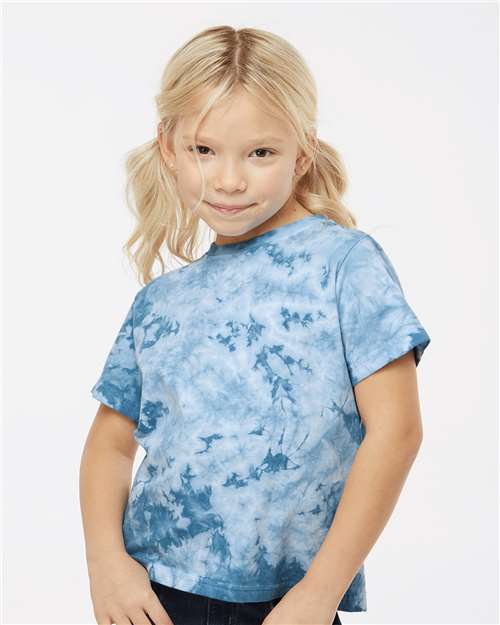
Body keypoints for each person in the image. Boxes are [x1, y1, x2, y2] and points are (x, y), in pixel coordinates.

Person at [80, 25, 431, 625]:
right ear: (168, 147)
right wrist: (106, 565)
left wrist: (319, 593)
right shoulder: (161, 301)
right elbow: (110, 445)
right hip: (157, 596)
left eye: (260, 153)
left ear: (303, 152)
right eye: (204, 150)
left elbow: (396, 432)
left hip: (291, 602)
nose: (229, 180)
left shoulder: (345, 265)